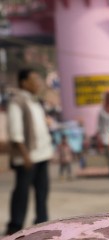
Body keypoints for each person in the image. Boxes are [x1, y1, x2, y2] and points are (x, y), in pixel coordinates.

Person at [5, 69, 54, 235]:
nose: (38, 82)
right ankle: (15, 225)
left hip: (42, 155)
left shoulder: (36, 101)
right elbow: (15, 133)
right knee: (22, 192)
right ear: (24, 82)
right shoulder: (17, 101)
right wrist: (25, 156)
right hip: (27, 157)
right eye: (34, 79)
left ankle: (42, 222)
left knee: (42, 192)